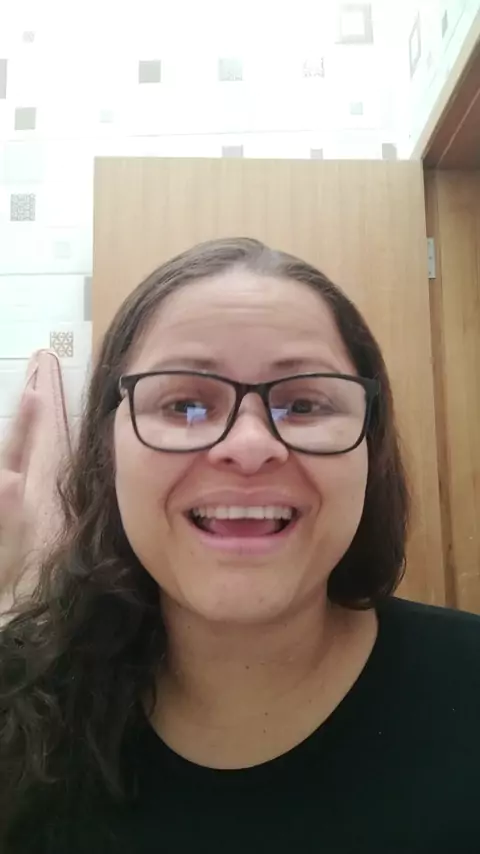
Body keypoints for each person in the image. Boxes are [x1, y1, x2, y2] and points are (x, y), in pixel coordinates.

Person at [1, 237, 480, 854]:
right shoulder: (17, 696)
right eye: (185, 404)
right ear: (106, 451)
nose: (250, 447)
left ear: (370, 449)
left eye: (304, 403)